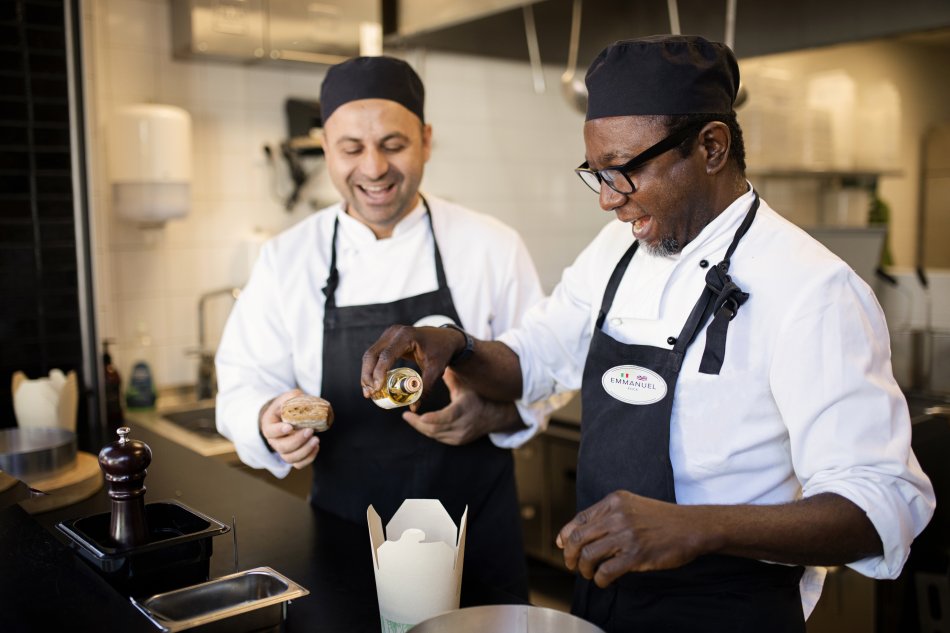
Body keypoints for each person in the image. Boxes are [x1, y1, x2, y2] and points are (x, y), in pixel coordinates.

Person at [361, 35, 936, 632]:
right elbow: (533, 360)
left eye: (625, 171)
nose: (609, 201)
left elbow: (883, 503)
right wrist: (456, 344)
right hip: (606, 596)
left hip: (730, 611)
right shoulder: (618, 248)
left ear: (711, 146)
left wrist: (695, 525)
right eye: (598, 173)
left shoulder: (813, 289)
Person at [215, 55, 562, 604]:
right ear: (325, 147)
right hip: (346, 544)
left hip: (475, 543)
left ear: (426, 140)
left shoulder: (490, 245)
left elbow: (550, 370)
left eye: (394, 145)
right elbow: (240, 381)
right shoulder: (288, 259)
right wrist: (265, 421)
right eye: (351, 149)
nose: (374, 168)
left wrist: (499, 412)